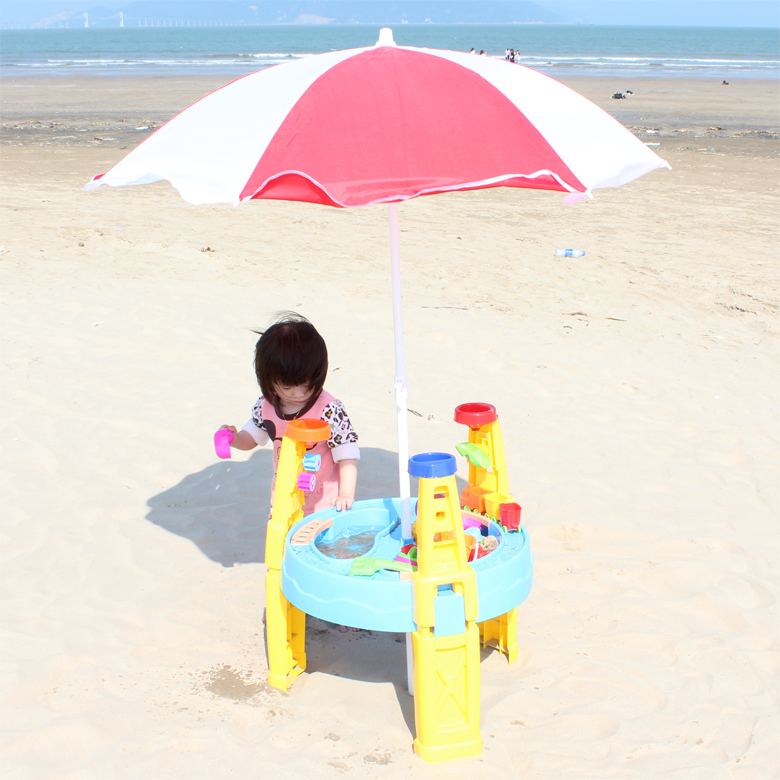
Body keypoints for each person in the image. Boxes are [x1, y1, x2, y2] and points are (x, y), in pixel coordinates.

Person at [220, 313, 359, 516]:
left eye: (307, 385)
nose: (299, 394)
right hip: (283, 499)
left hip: (325, 503)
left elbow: (347, 454)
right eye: (287, 387)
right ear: (269, 379)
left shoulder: (329, 410)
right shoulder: (265, 406)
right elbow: (250, 439)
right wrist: (233, 439)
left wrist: (345, 494)